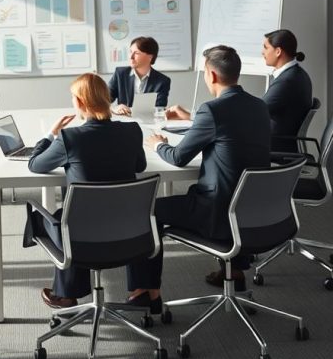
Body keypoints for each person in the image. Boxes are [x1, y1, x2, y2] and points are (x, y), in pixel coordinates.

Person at [128, 45, 271, 309]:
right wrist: (195, 122)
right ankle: (236, 271)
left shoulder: (213, 110)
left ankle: (145, 291)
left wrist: (158, 144)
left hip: (217, 211)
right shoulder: (259, 106)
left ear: (213, 76)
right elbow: (232, 135)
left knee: (147, 211)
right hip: (255, 211)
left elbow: (178, 157)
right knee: (225, 188)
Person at [23, 73, 146, 308]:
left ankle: (67, 294)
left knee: (59, 218)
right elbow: (139, 165)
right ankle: (143, 291)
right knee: (77, 216)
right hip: (130, 232)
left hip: (82, 239)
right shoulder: (132, 131)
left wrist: (51, 135)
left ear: (80, 102)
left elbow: (35, 164)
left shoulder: (70, 138)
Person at [261, 29, 312, 154]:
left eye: (266, 48)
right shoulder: (296, 73)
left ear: (278, 52)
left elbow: (259, 110)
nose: (262, 52)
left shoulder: (287, 81)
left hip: (276, 145)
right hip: (280, 141)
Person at [108, 36, 171, 115]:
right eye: (130, 51)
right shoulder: (120, 74)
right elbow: (102, 101)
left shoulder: (163, 81)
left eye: (137, 53)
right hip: (124, 123)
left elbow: (159, 109)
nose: (131, 57)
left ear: (150, 57)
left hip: (150, 123)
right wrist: (114, 108)